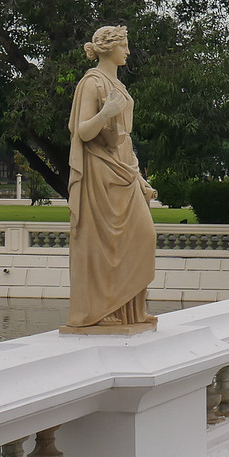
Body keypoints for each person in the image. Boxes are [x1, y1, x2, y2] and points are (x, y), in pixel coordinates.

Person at [66, 25, 157, 330]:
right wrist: (106, 112)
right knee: (106, 245)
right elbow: (82, 132)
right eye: (124, 46)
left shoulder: (118, 83)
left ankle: (134, 311)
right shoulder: (91, 83)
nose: (128, 51)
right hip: (101, 172)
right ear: (109, 48)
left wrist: (139, 177)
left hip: (124, 169)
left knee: (144, 238)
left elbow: (125, 138)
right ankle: (105, 311)